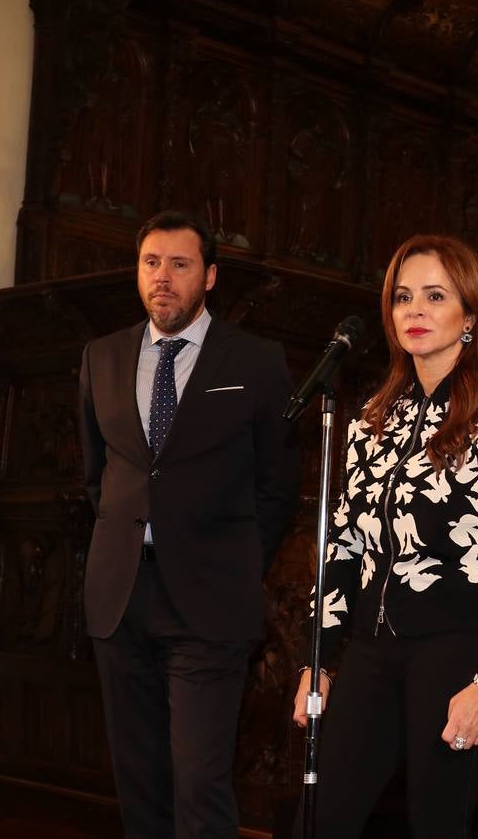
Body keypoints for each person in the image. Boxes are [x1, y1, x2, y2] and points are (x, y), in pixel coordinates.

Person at [291, 234, 478, 838]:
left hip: (458, 652)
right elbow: (343, 547)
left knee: (436, 825)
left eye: (435, 296)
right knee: (320, 818)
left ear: (470, 315)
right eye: (403, 297)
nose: (414, 310)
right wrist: (320, 660)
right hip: (371, 649)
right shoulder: (372, 419)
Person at [78, 210, 301, 838]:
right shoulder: (101, 357)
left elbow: (278, 485)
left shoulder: (257, 362)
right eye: (152, 263)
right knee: (138, 778)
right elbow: (98, 477)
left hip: (210, 601)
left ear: (210, 277)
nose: (164, 278)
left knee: (199, 781)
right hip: (120, 598)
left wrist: (233, 561)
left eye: (180, 264)